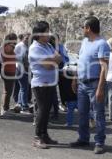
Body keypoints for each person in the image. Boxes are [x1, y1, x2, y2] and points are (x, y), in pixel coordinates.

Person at [70, 16, 110, 154]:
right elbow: (79, 61)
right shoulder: (85, 42)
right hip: (82, 83)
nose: (82, 29)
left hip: (94, 84)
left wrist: (100, 88)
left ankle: (99, 142)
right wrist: (75, 78)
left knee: (98, 114)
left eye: (83, 27)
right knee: (82, 113)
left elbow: (104, 68)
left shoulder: (102, 44)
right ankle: (83, 138)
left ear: (88, 28)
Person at [28, 21, 62, 149]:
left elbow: (59, 58)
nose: (49, 34)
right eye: (47, 31)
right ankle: (37, 137)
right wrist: (54, 60)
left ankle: (44, 135)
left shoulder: (47, 45)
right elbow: (48, 66)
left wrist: (53, 60)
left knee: (47, 111)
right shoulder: (35, 48)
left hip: (51, 83)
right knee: (42, 111)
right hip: (41, 84)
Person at [0, 33, 17, 116]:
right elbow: (8, 53)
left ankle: (4, 107)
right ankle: (5, 108)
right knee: (8, 91)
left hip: (10, 70)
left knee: (6, 91)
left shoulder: (7, 46)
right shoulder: (7, 47)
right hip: (8, 71)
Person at [15, 33, 31, 113]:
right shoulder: (19, 46)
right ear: (23, 38)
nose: (27, 39)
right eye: (26, 38)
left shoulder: (28, 46)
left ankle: (19, 103)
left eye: (29, 38)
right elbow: (15, 57)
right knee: (24, 88)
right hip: (20, 69)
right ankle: (24, 106)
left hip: (26, 70)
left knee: (23, 88)